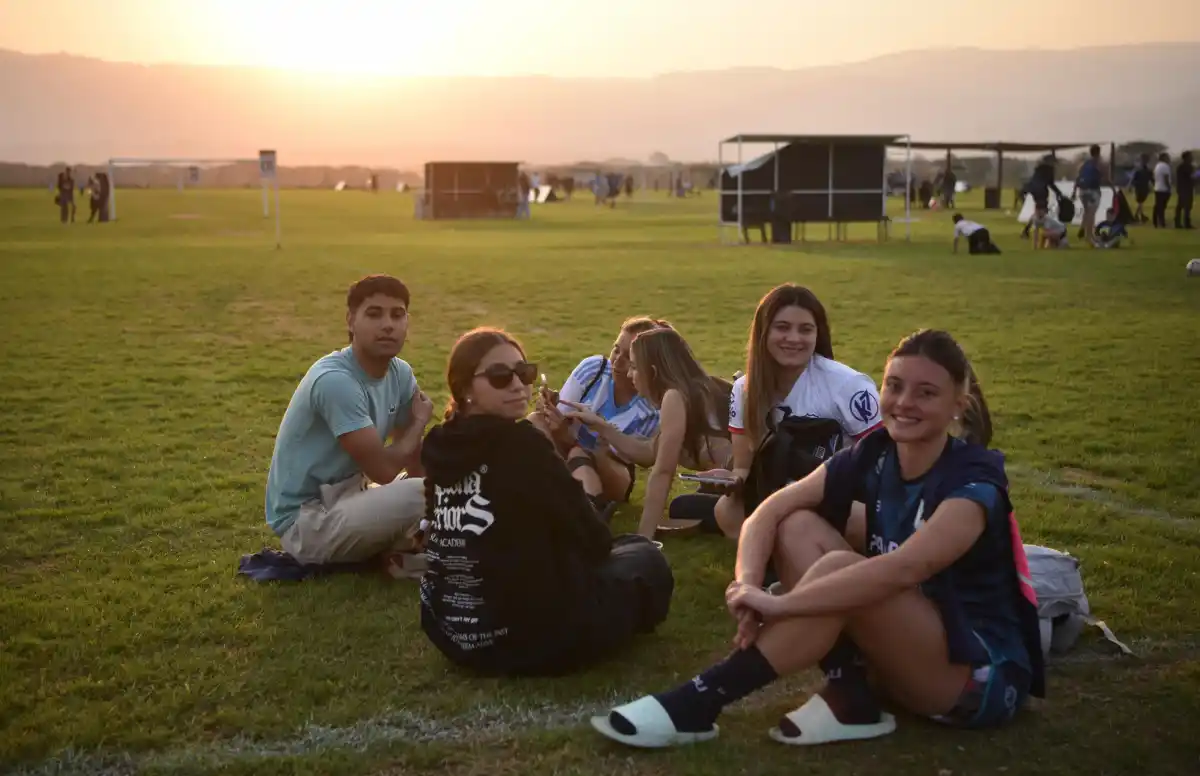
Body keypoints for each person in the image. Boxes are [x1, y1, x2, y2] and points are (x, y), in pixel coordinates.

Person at [590, 329, 1043, 749]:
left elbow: (907, 568)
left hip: (975, 679)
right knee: (796, 524)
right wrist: (747, 586)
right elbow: (769, 510)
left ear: (957, 405)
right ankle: (851, 695)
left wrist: (783, 605)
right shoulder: (878, 449)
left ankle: (700, 700)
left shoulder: (975, 478)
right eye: (895, 385)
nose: (904, 402)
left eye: (927, 393)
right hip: (901, 646)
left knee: (843, 570)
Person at [418, 327, 674, 676]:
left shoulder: (437, 445)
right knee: (644, 557)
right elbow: (596, 541)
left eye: (524, 373)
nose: (517, 385)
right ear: (464, 389)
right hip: (531, 639)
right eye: (499, 376)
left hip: (452, 632)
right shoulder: (522, 444)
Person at [263, 274, 431, 565]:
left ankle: (417, 543)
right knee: (423, 492)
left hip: (352, 497)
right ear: (351, 321)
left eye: (397, 314)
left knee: (440, 482)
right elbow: (383, 471)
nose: (388, 324)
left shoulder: (400, 373)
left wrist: (430, 512)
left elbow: (412, 456)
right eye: (374, 314)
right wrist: (419, 423)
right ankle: (412, 546)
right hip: (308, 522)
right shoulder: (335, 381)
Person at [707, 284, 882, 539]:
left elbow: (881, 461)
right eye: (782, 327)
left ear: (817, 334)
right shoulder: (744, 389)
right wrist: (730, 482)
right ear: (763, 332)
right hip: (775, 491)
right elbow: (744, 469)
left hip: (838, 494)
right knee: (726, 510)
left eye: (805, 329)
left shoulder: (850, 385)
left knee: (799, 519)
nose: (794, 338)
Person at [561, 327, 732, 538]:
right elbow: (652, 451)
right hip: (749, 486)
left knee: (683, 507)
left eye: (634, 366)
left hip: (755, 491)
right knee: (682, 507)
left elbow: (662, 472)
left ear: (652, 371)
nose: (630, 374)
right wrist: (601, 426)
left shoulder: (675, 396)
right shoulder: (690, 390)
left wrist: (642, 539)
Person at [530, 317, 666, 515]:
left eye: (628, 357)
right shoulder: (594, 368)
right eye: (616, 349)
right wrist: (550, 407)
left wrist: (583, 434)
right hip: (565, 449)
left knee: (580, 454)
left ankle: (589, 512)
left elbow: (628, 456)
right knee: (536, 421)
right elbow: (559, 419)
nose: (617, 361)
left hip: (610, 471)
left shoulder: (653, 406)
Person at [1070, 145, 1107, 246]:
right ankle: (1089, 237)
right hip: (1093, 191)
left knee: (1087, 212)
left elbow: (1077, 178)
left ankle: (1084, 231)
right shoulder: (1099, 164)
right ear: (1098, 152)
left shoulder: (1083, 164)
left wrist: (1074, 192)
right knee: (1091, 214)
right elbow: (1106, 177)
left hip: (1082, 191)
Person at [1128, 154, 1153, 223]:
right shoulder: (1139, 169)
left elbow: (1151, 179)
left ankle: (1140, 215)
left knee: (1141, 202)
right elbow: (1133, 178)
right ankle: (1138, 216)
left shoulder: (1147, 170)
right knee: (1140, 202)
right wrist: (1130, 186)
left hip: (1144, 187)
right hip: (1139, 187)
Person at [1174, 151, 1194, 230]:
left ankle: (1178, 222)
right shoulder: (1187, 167)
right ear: (1187, 158)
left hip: (1182, 188)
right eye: (1190, 156)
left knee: (1181, 206)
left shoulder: (1180, 167)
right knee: (1186, 206)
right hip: (1186, 188)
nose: (1192, 158)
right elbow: (1192, 176)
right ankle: (1186, 223)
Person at [1152, 153, 1172, 229]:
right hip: (1164, 189)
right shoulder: (1165, 166)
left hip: (1157, 188)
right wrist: (1169, 187)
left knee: (1157, 206)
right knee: (1162, 207)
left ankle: (1155, 221)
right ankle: (1161, 222)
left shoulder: (1157, 166)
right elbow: (1166, 177)